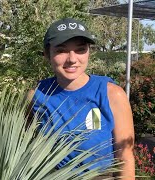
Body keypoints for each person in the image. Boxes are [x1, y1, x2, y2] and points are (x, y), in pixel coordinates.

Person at [29, 18, 135, 179]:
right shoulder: (36, 95)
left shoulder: (111, 94)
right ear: (47, 54)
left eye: (80, 49)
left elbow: (125, 156)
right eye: (61, 50)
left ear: (88, 52)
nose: (72, 59)